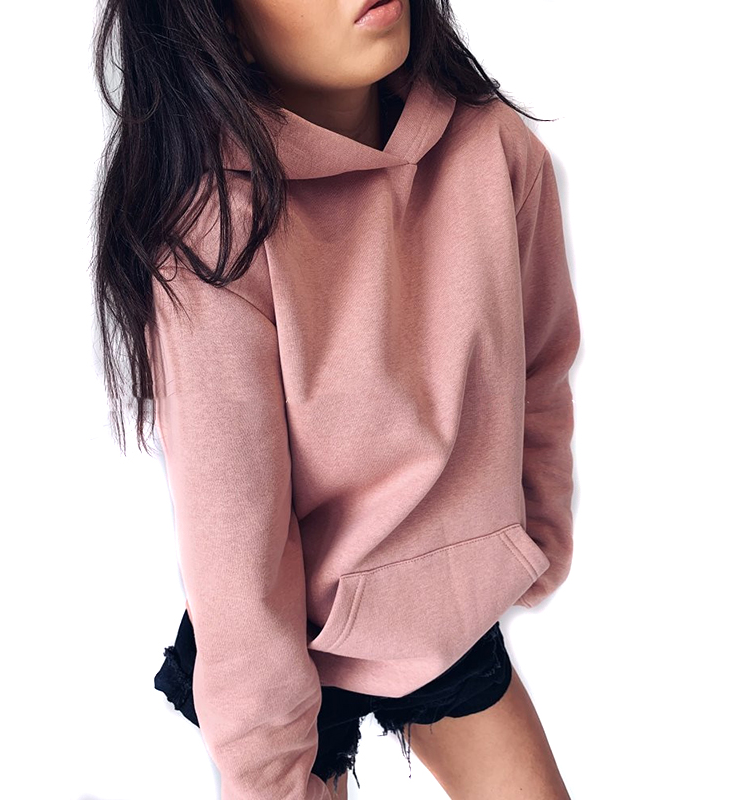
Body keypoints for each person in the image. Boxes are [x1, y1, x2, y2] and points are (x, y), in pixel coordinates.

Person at [91, 1, 580, 798]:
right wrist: (271, 776)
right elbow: (236, 554)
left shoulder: (495, 150)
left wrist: (534, 536)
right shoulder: (215, 237)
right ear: (225, 26)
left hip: (444, 616)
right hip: (284, 648)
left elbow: (540, 364)